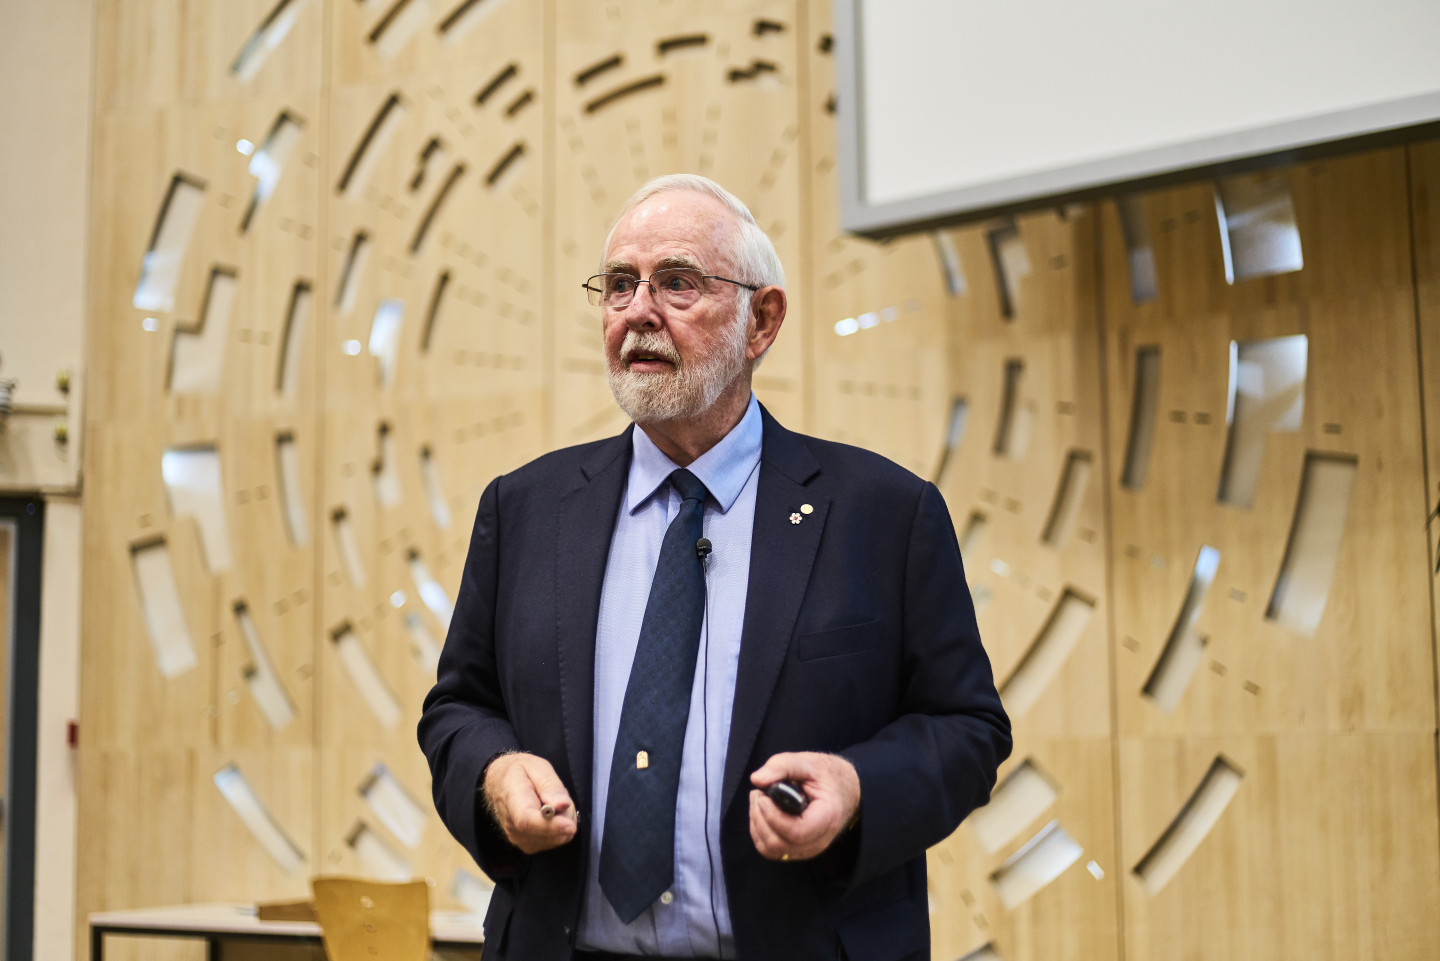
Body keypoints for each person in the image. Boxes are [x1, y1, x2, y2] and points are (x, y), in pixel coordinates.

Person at [418, 174, 1010, 961]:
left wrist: (858, 786)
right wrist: (494, 776)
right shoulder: (526, 508)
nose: (637, 312)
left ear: (761, 321)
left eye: (677, 283)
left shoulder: (883, 514)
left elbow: (967, 729)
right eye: (619, 286)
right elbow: (458, 706)